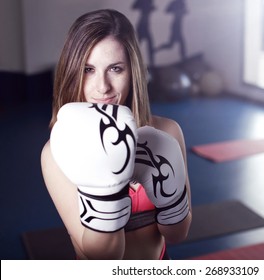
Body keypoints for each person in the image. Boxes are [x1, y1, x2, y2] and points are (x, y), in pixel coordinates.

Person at [41, 9, 192, 260]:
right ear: (72, 72)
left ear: (132, 71)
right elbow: (104, 257)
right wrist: (105, 189)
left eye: (115, 68)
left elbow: (178, 233)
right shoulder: (57, 152)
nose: (103, 87)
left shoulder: (167, 132)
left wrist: (172, 199)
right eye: (88, 69)